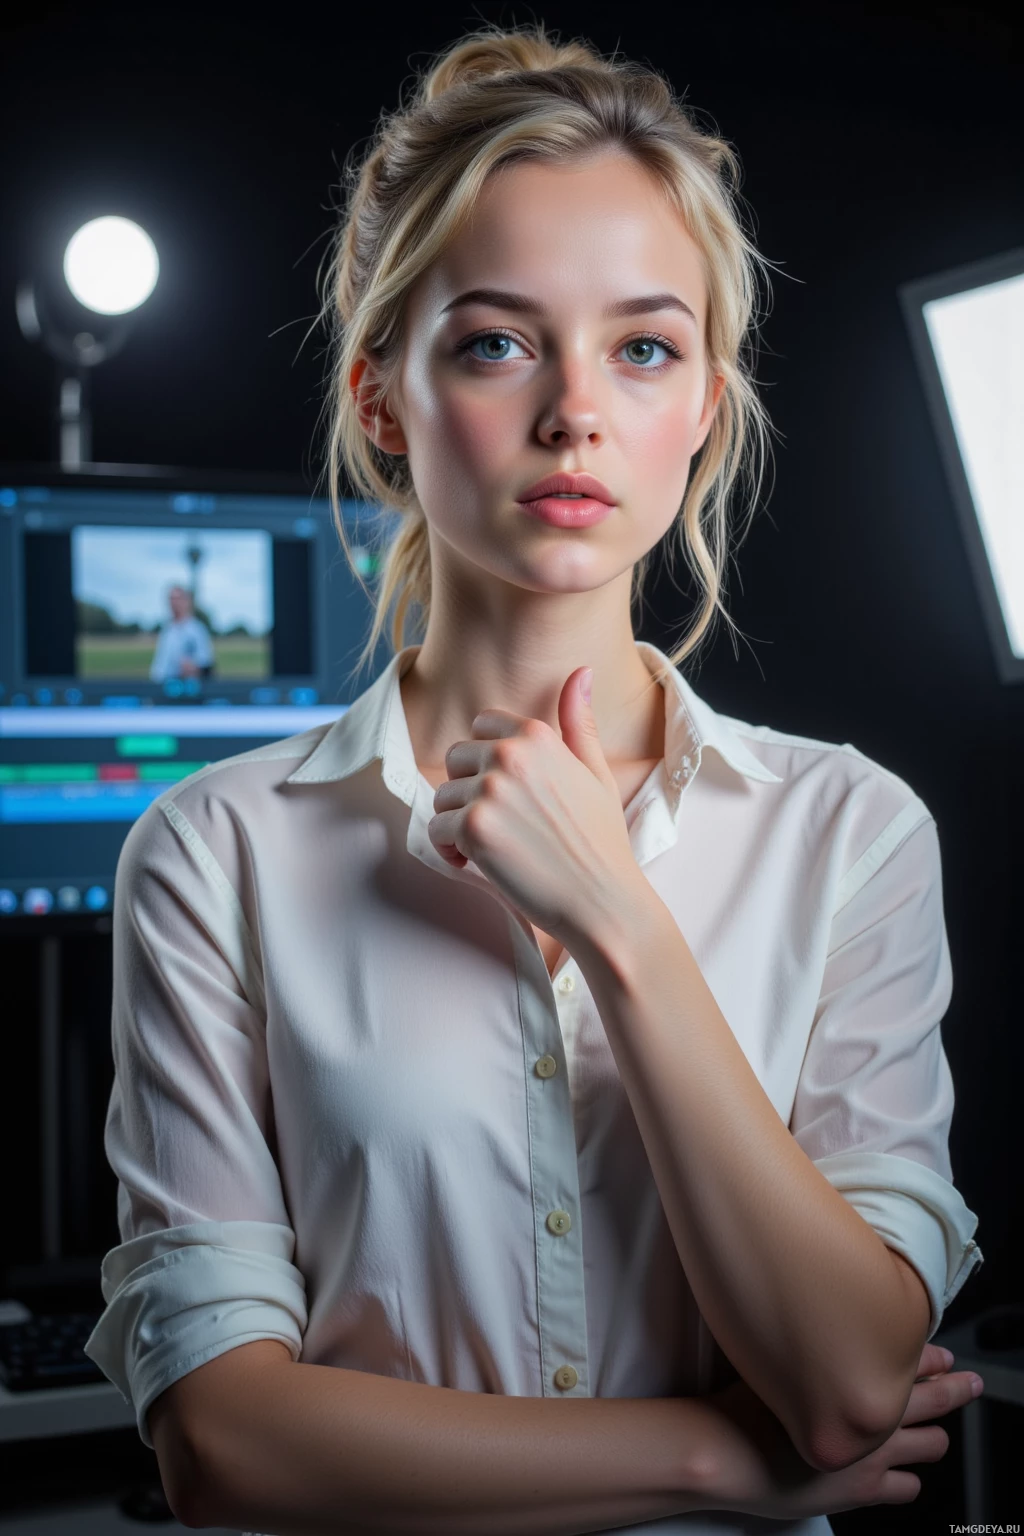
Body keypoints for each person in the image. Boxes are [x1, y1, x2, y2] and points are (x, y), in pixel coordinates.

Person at [83, 23, 985, 1536]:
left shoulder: (851, 832)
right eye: (498, 341)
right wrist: (721, 1462)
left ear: (702, 406)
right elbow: (225, 1444)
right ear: (383, 398)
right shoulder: (213, 852)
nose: (575, 410)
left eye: (643, 347)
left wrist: (619, 918)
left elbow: (842, 1379)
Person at [148, 583, 215, 682]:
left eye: (177, 599)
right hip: (161, 686)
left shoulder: (197, 630)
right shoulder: (167, 629)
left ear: (187, 601)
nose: (174, 603)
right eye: (171, 599)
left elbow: (206, 663)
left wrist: (193, 668)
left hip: (182, 689)